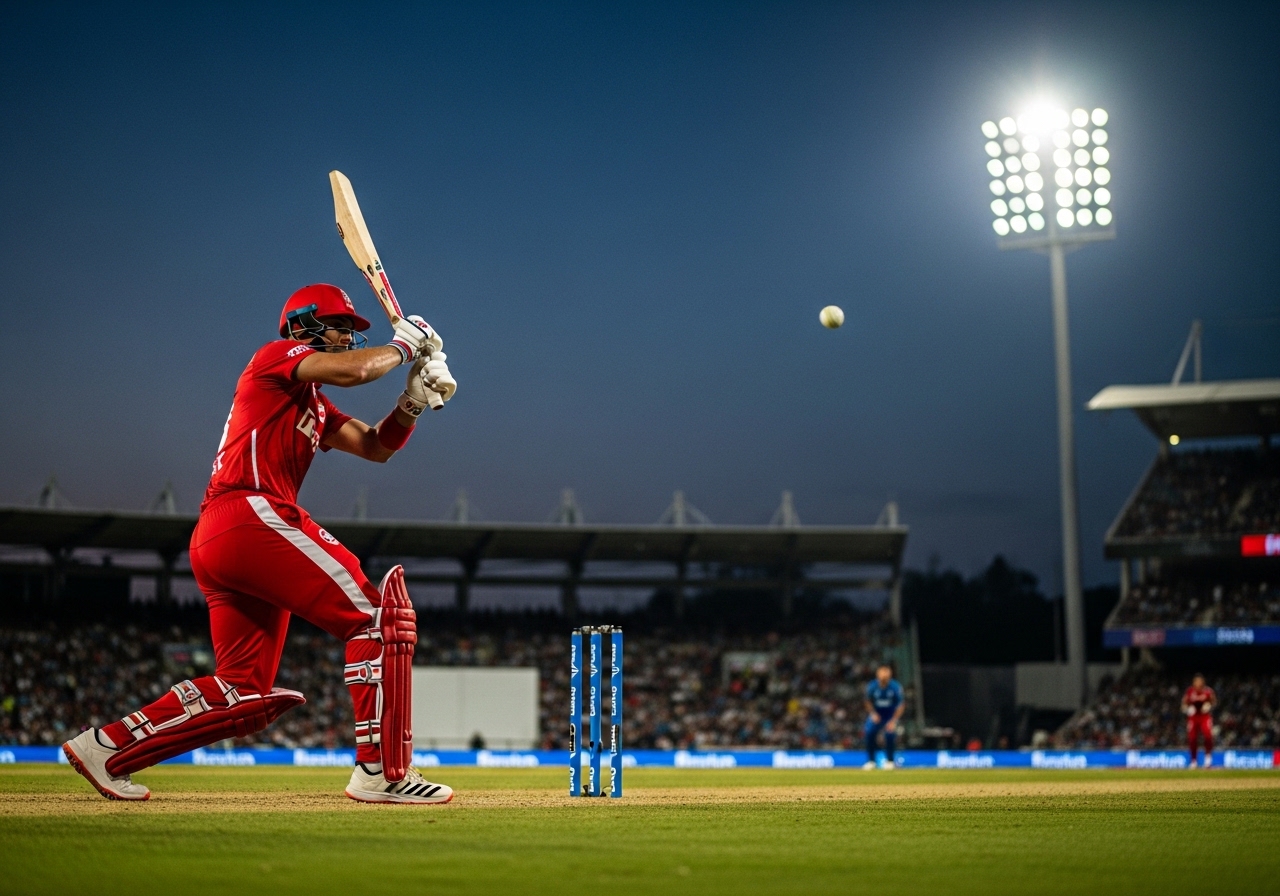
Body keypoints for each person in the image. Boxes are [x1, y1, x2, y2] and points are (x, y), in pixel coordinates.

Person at [62, 284, 457, 803]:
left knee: (242, 688)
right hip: (251, 512)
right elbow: (357, 370)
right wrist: (404, 347)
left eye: (350, 331)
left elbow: (375, 446)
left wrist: (411, 401)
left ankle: (104, 747)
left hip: (222, 535)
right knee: (376, 618)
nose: (345, 337)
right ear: (303, 325)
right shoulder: (276, 356)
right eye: (339, 326)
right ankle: (381, 773)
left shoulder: (313, 402)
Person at [862, 665, 905, 769]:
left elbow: (901, 705)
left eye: (886, 675)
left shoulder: (895, 687)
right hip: (877, 715)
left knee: (889, 735)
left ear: (890, 676)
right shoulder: (872, 686)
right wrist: (873, 714)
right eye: (882, 675)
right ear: (878, 675)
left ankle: (890, 761)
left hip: (890, 715)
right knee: (869, 733)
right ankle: (871, 761)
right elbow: (867, 701)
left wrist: (893, 721)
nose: (884, 678)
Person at [1181, 673, 1216, 769]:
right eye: (1196, 682)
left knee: (1208, 735)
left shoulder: (1208, 691)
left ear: (1203, 683)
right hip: (1193, 717)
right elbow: (1184, 704)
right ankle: (1193, 761)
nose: (1198, 684)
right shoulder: (1190, 691)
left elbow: (1214, 702)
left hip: (1205, 716)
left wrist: (1209, 706)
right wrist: (1187, 709)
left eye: (1200, 682)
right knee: (1192, 738)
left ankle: (1208, 760)